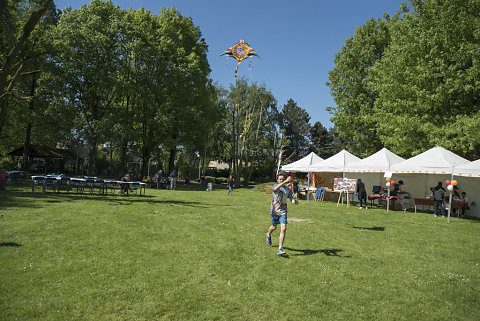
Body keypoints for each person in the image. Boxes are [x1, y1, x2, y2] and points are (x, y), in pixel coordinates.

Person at [266, 173, 296, 256]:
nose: (281, 180)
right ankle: (268, 234)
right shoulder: (275, 186)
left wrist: (293, 201)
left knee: (283, 228)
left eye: (283, 179)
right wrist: (285, 181)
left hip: (283, 211)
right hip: (275, 211)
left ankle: (280, 248)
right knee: (274, 227)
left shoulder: (287, 189)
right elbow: (275, 188)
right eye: (280, 179)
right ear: (277, 180)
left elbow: (291, 198)